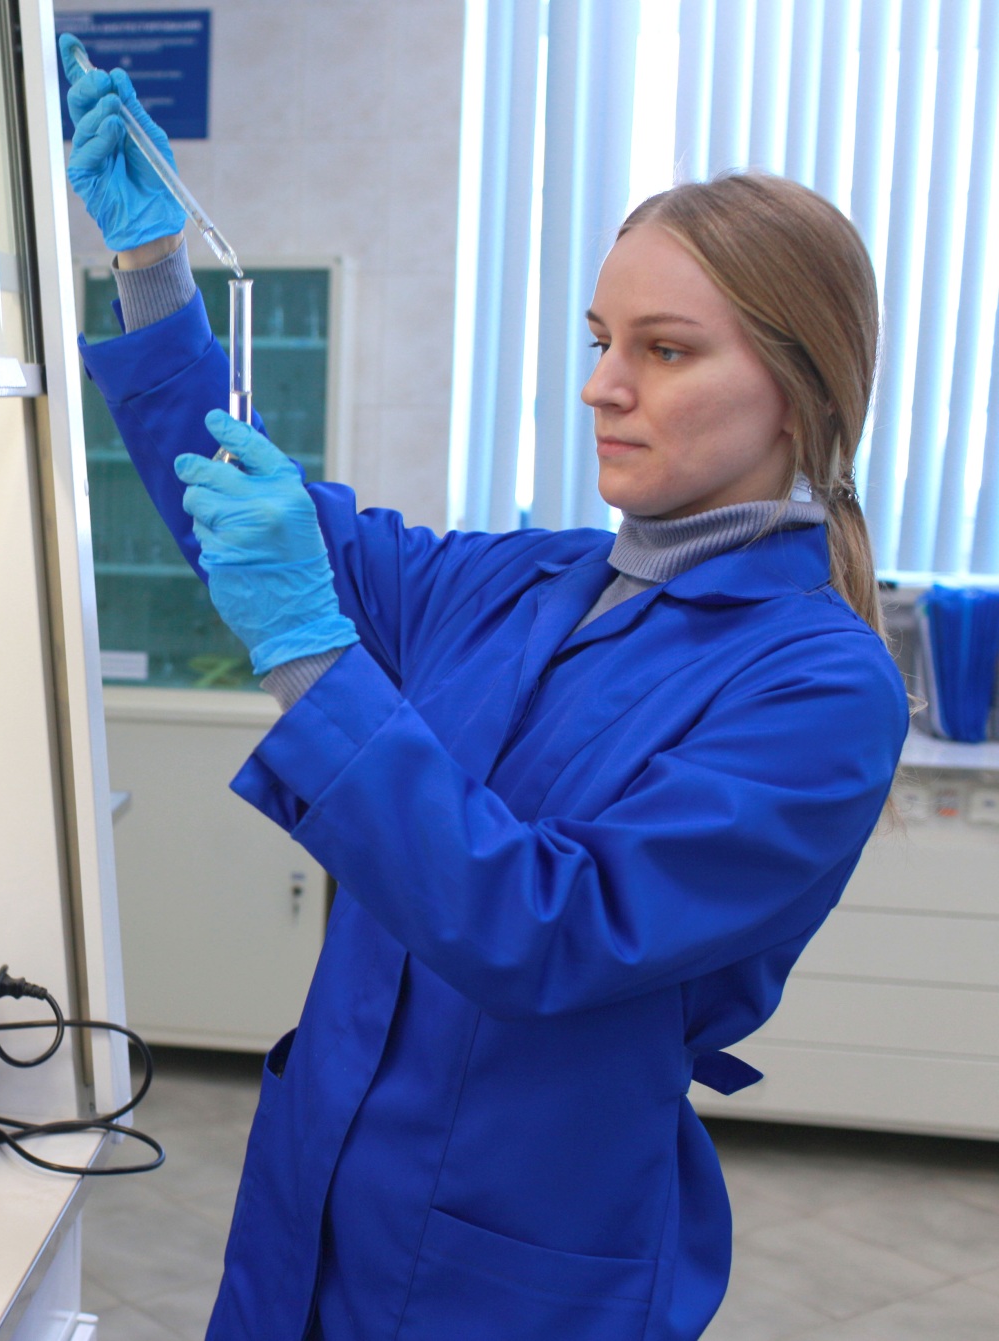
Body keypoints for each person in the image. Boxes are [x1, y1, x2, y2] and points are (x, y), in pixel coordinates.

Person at [60, 35, 908, 1341]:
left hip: (517, 1256)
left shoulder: (820, 688)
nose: (602, 386)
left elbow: (549, 926)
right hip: (320, 1192)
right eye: (601, 339)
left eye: (666, 350)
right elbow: (241, 512)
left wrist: (312, 656)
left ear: (796, 393)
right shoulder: (524, 580)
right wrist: (152, 268)